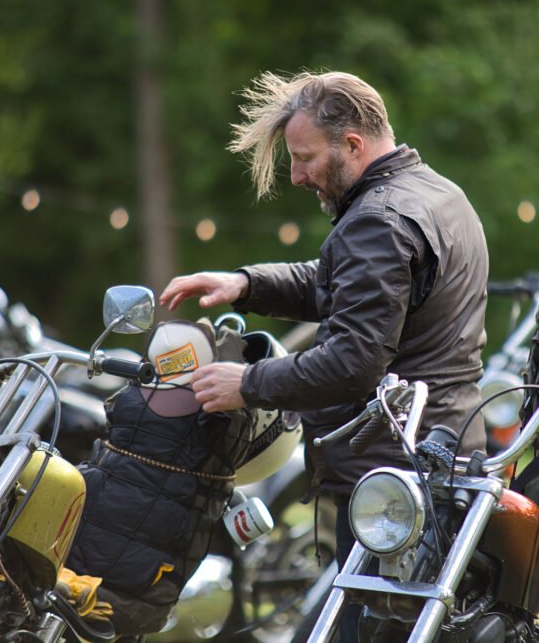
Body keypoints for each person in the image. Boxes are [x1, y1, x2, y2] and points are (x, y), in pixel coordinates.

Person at [160, 70, 489, 640]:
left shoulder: (379, 221)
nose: (296, 175)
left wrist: (249, 381)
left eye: (305, 157)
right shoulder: (436, 193)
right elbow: (341, 284)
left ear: (353, 145)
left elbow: (355, 362)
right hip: (443, 458)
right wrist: (246, 282)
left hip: (391, 483)